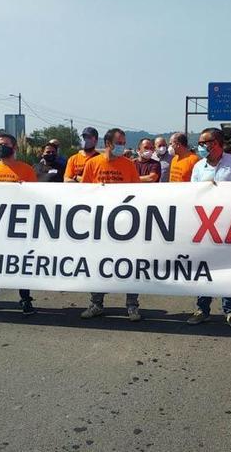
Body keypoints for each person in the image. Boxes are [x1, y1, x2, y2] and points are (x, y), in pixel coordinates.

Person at [187, 128, 231, 329]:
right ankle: (202, 309)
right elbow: (192, 195)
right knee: (203, 267)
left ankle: (230, 311)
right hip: (203, 226)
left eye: (204, 142)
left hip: (229, 224)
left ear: (215, 143)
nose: (201, 145)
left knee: (228, 268)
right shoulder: (198, 166)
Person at [80, 128, 143, 321]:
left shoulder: (129, 165)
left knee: (130, 266)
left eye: (124, 143)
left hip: (126, 225)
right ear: (108, 143)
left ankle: (132, 306)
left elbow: (138, 195)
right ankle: (96, 304)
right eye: (119, 142)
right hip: (99, 226)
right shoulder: (93, 164)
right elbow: (84, 194)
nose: (122, 146)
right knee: (99, 265)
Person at [0, 133, 39, 314]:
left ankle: (25, 299)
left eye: (5, 144)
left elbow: (36, 197)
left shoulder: (26, 169)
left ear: (14, 148)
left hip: (19, 225)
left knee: (20, 263)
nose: (0, 147)